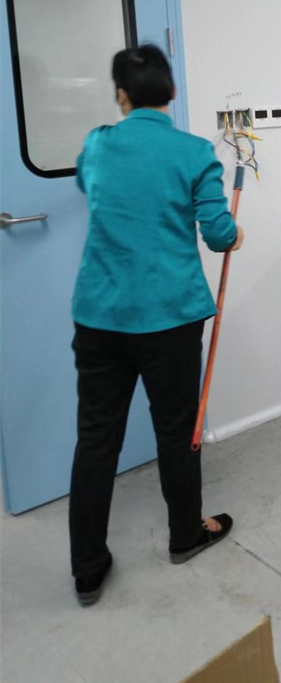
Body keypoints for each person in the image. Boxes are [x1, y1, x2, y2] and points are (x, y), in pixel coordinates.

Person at [69, 45, 244, 606]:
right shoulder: (193, 152)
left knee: (96, 439)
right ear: (171, 92)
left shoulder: (98, 145)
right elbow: (217, 233)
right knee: (176, 431)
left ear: (121, 95)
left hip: (99, 316)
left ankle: (87, 569)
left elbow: (90, 188)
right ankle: (184, 535)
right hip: (170, 319)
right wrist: (235, 234)